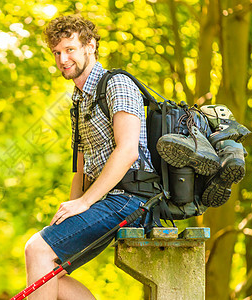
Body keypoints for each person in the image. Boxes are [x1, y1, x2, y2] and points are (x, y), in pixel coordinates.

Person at [23, 15, 154, 299]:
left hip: (134, 200)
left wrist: (85, 202)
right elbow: (80, 167)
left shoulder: (116, 84)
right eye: (57, 52)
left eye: (69, 49)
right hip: (106, 200)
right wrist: (69, 209)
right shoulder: (79, 98)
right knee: (47, 270)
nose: (62, 59)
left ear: (90, 46)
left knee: (36, 248)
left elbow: (128, 150)